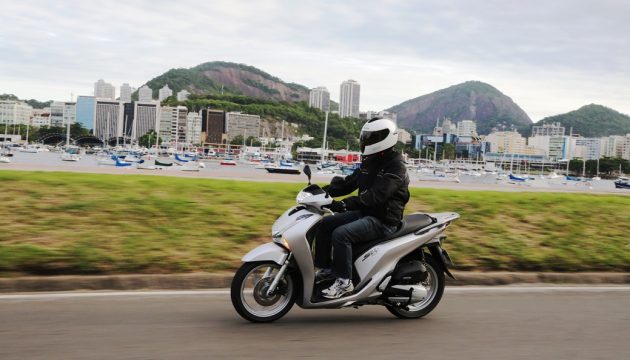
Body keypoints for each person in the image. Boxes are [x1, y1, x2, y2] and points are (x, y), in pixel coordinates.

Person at [314, 118, 410, 299]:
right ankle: (327, 269)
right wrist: (321, 192)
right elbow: (349, 183)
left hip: (383, 220)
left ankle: (344, 282)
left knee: (341, 234)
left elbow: (377, 195)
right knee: (325, 224)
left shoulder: (396, 167)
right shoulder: (371, 161)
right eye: (365, 137)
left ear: (383, 139)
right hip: (366, 213)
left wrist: (345, 203)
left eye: (370, 137)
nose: (365, 141)